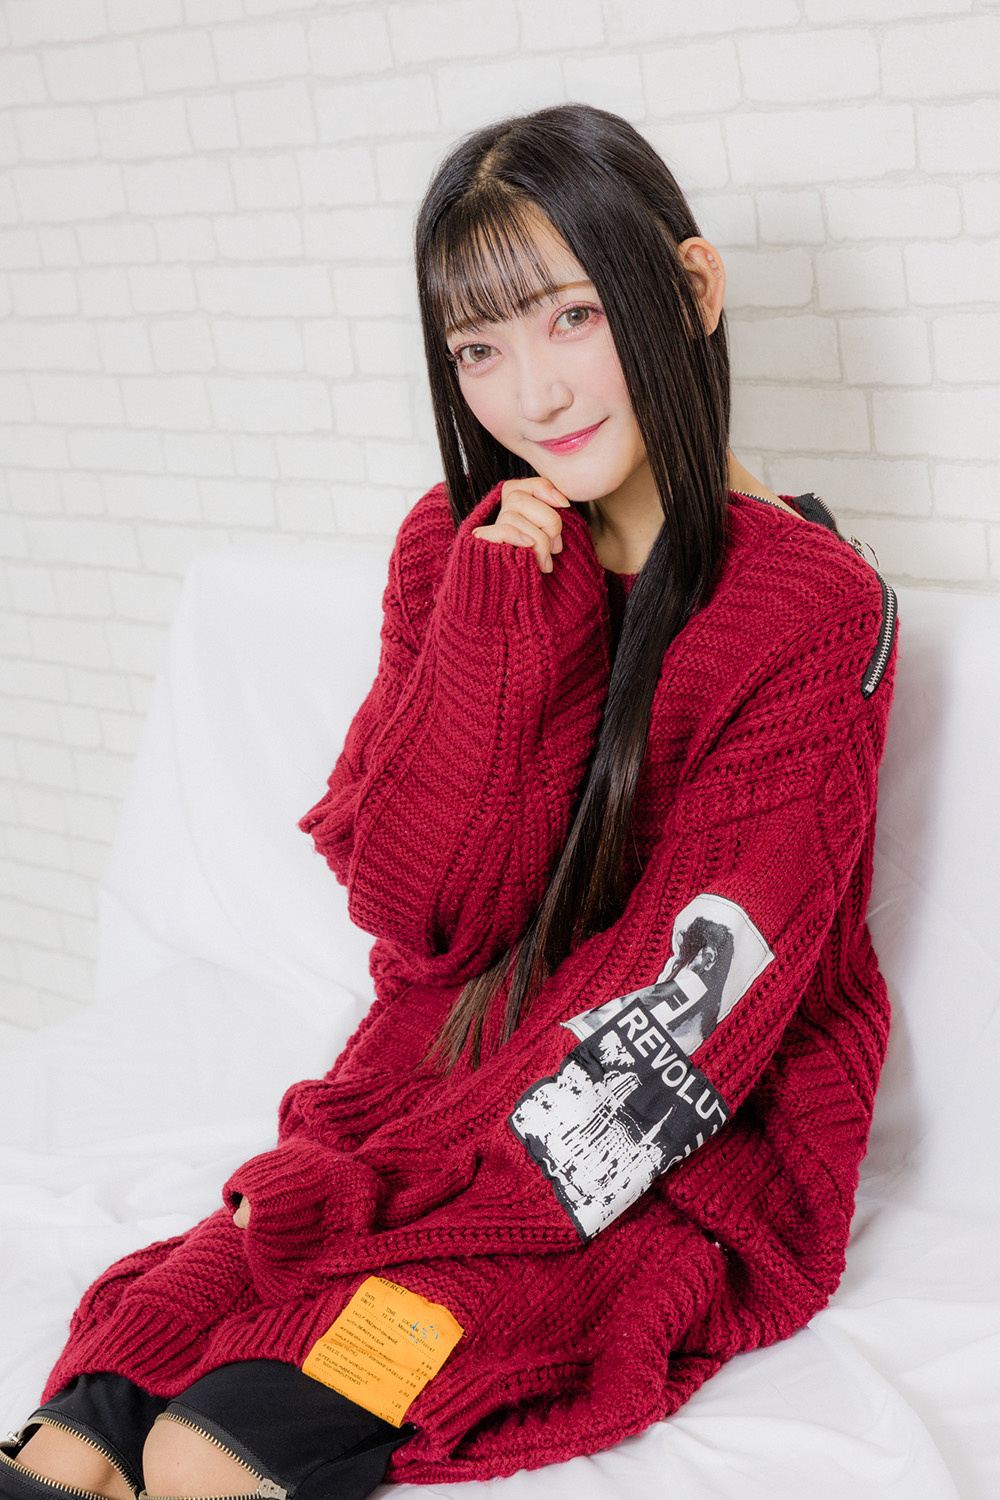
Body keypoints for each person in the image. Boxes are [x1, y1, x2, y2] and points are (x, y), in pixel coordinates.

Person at [1, 102, 898, 1500]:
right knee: (81, 1436)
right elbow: (423, 921)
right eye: (478, 348)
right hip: (415, 1097)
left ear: (692, 291)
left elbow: (701, 999)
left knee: (207, 1454)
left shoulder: (811, 606)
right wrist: (499, 633)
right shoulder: (458, 547)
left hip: (633, 1152)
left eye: (571, 317)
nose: (531, 395)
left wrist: (443, 1184)